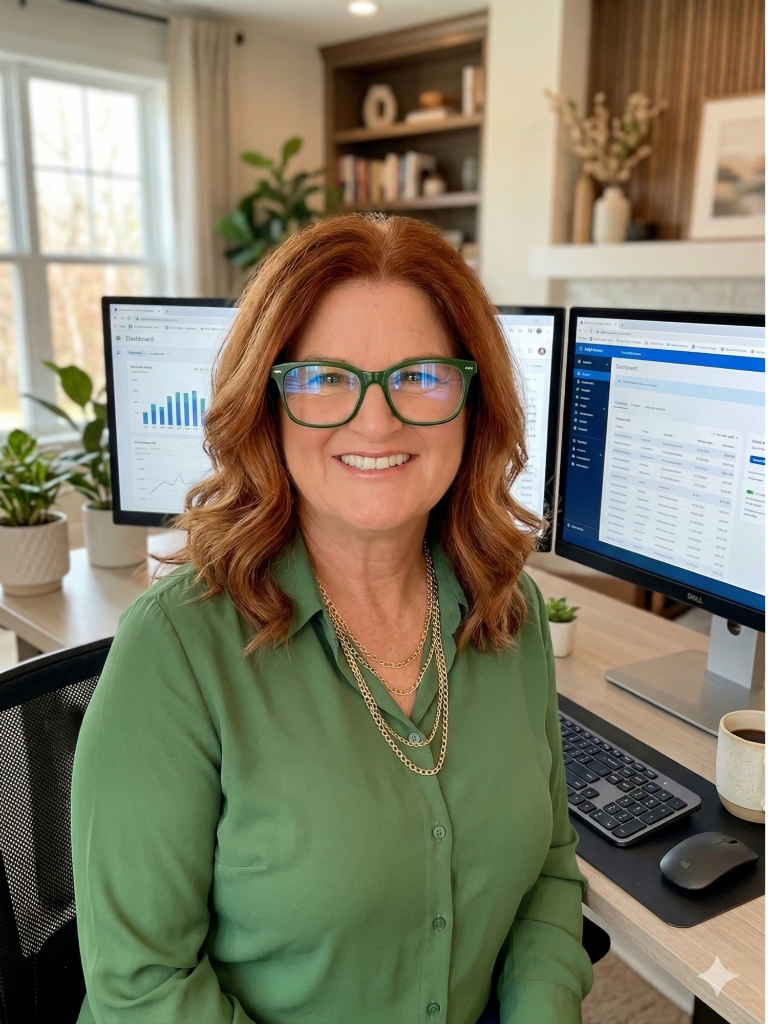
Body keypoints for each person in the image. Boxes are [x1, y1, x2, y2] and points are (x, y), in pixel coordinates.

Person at [71, 214, 593, 1024]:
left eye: (420, 375)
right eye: (324, 379)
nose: (376, 421)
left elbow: (550, 875)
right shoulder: (174, 650)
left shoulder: (508, 609)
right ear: (269, 406)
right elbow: (141, 988)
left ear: (472, 401)